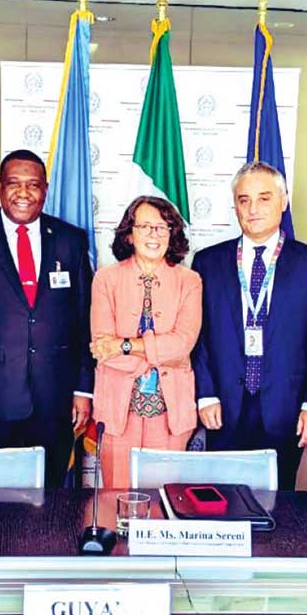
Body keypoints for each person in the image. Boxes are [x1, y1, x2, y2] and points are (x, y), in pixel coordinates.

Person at [0, 149, 94, 487]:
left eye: (33, 185)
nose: (23, 193)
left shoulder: (70, 241)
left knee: (51, 500)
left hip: (56, 403)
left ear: (45, 189)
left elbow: (84, 321)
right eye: (14, 183)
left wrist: (84, 390)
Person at [191, 161, 307, 490]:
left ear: (284, 202)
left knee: (277, 501)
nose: (253, 209)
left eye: (264, 198)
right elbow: (200, 339)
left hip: (285, 406)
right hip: (223, 407)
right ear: (235, 206)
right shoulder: (208, 262)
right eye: (244, 200)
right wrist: (206, 394)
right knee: (220, 499)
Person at [89, 196, 202, 489]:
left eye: (162, 227)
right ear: (129, 233)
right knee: (116, 498)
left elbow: (183, 344)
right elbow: (103, 347)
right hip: (118, 408)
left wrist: (125, 345)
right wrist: (159, 351)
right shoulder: (105, 279)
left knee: (164, 500)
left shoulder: (190, 281)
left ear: (172, 233)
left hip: (170, 409)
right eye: (145, 227)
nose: (154, 235)